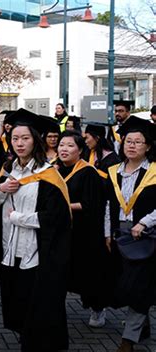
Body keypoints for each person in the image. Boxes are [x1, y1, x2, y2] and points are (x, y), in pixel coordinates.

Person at [0, 108, 72, 352]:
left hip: (36, 254)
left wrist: (18, 217)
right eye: (15, 138)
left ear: (35, 139)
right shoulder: (9, 169)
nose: (19, 143)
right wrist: (0, 191)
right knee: (18, 306)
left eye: (25, 138)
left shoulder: (48, 175)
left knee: (38, 311)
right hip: (10, 252)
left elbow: (56, 219)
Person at [105, 116, 156, 352]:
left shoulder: (154, 172)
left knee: (138, 286)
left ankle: (128, 340)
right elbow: (108, 205)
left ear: (148, 146)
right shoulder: (114, 171)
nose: (132, 145)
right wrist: (107, 233)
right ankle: (142, 320)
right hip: (119, 235)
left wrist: (145, 223)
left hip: (145, 238)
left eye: (138, 141)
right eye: (128, 141)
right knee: (124, 286)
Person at [56, 130, 111, 328]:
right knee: (60, 272)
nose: (64, 149)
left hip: (83, 233)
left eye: (70, 145)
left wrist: (63, 206)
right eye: (62, 144)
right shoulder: (55, 170)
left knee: (88, 274)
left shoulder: (88, 172)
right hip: (61, 231)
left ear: (80, 150)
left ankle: (98, 308)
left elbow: (91, 204)